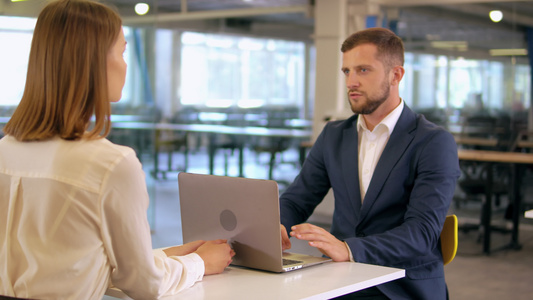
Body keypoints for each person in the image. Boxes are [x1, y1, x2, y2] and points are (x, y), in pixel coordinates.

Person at [0, 0, 234, 299]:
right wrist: (199, 263)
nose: (126, 64)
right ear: (94, 61)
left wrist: (169, 255)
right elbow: (142, 284)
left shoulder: (5, 150)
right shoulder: (109, 163)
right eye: (122, 52)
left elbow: (75, 261)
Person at [279, 27, 460, 299]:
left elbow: (422, 233)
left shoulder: (433, 142)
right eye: (347, 71)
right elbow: (297, 199)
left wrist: (349, 248)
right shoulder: (334, 135)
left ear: (396, 75)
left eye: (363, 70)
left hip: (401, 284)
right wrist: (277, 225)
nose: (351, 81)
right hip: (343, 278)